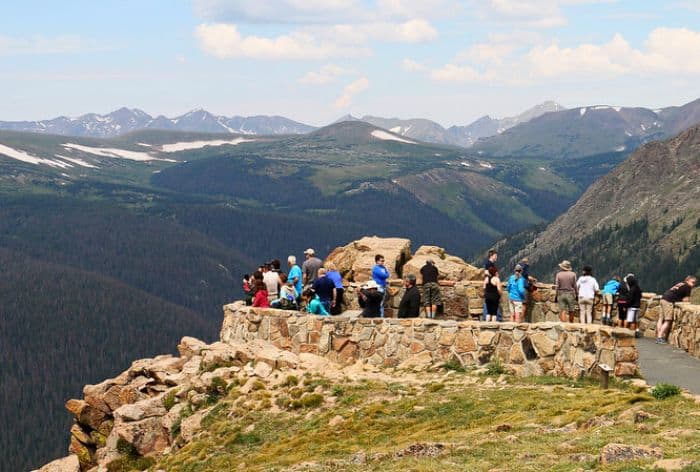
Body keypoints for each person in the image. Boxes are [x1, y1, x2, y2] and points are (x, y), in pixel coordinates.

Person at [656, 275, 697, 344]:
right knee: (668, 320)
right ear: (687, 280)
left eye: (695, 283)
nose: (693, 284)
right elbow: (686, 300)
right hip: (669, 301)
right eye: (692, 282)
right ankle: (660, 338)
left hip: (664, 298)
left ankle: (658, 336)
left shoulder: (680, 284)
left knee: (660, 319)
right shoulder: (687, 287)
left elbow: (671, 289)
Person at [482, 250, 502, 321]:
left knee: (489, 309)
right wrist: (494, 276)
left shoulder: (490, 264)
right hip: (494, 293)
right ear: (491, 256)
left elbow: (484, 286)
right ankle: (496, 320)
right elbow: (486, 272)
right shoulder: (489, 264)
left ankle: (486, 321)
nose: (496, 257)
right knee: (492, 311)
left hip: (488, 293)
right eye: (495, 256)